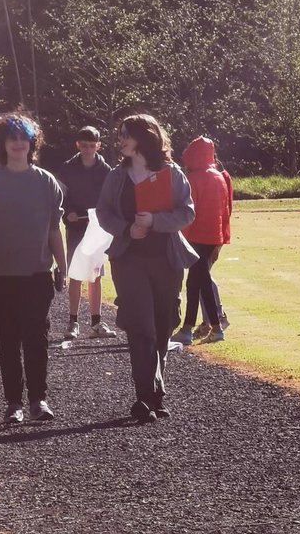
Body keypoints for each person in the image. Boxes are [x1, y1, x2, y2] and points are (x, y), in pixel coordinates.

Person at [96, 114, 197, 423]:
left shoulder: (172, 173)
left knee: (162, 326)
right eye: (120, 134)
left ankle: (156, 394)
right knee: (140, 325)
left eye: (127, 134)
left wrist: (155, 221)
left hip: (166, 261)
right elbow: (103, 213)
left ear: (145, 137)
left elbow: (187, 213)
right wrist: (128, 229)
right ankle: (144, 397)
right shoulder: (116, 176)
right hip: (128, 260)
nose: (121, 139)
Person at [0, 113, 66, 424]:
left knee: (36, 338)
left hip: (37, 275)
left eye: (23, 137)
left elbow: (54, 230)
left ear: (31, 143)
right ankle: (14, 403)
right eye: (11, 137)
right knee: (8, 341)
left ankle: (39, 400)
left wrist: (62, 266)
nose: (17, 142)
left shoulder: (46, 182)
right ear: (2, 144)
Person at [56, 125, 115, 339]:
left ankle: (96, 322)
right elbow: (59, 197)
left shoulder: (106, 170)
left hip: (97, 228)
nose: (88, 149)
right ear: (77, 145)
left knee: (96, 274)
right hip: (75, 227)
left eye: (92, 145)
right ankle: (73, 322)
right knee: (75, 274)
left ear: (98, 146)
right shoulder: (67, 168)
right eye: (84, 145)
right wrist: (67, 213)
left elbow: (110, 199)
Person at [174, 137, 233, 345]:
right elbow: (226, 211)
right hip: (213, 236)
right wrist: (222, 238)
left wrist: (181, 237)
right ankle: (194, 327)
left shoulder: (193, 178)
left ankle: (209, 328)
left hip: (196, 236)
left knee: (199, 282)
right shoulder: (219, 177)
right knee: (197, 281)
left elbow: (190, 212)